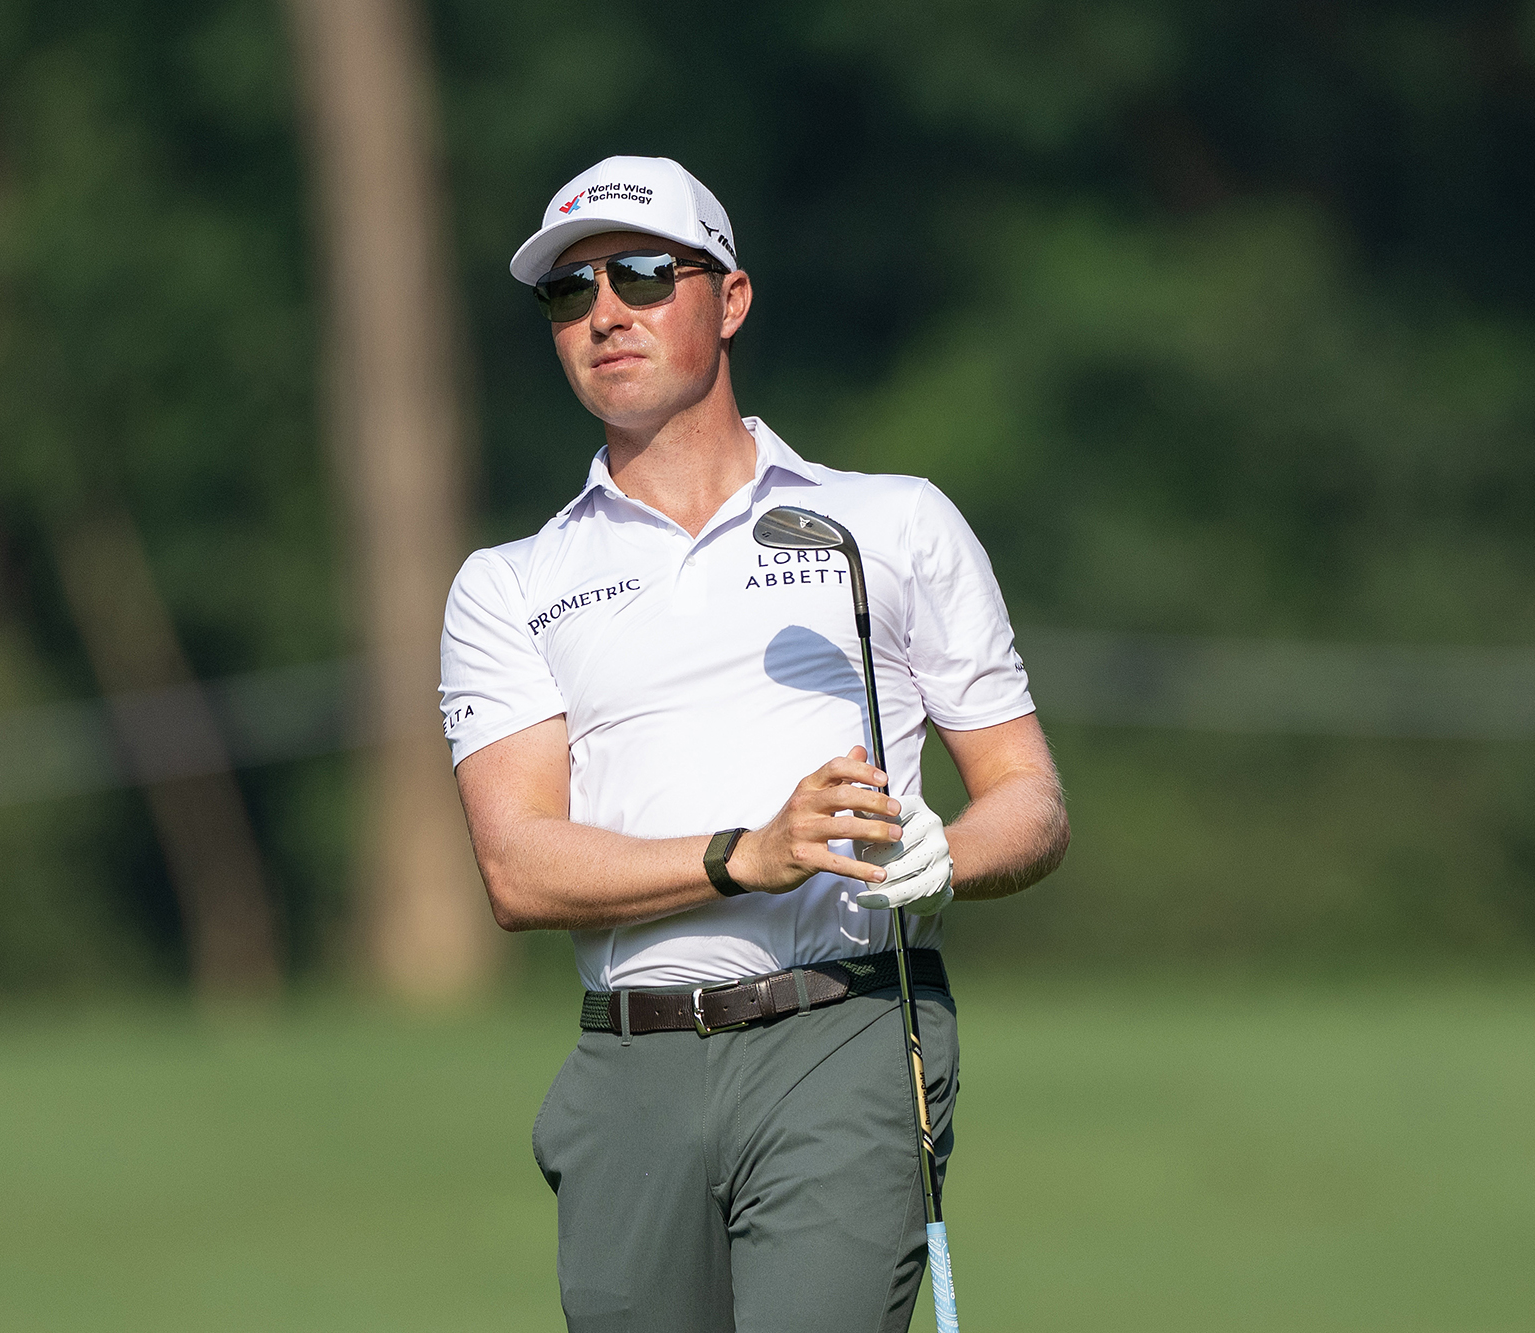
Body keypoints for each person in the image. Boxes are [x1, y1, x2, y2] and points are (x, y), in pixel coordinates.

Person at [439, 155, 1068, 1333]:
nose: (604, 313)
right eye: (568, 295)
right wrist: (747, 851)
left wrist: (950, 855)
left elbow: (1027, 797)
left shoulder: (888, 521)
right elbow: (518, 869)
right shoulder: (508, 583)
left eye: (639, 274)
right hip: (629, 1068)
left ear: (728, 299)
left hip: (845, 1033)